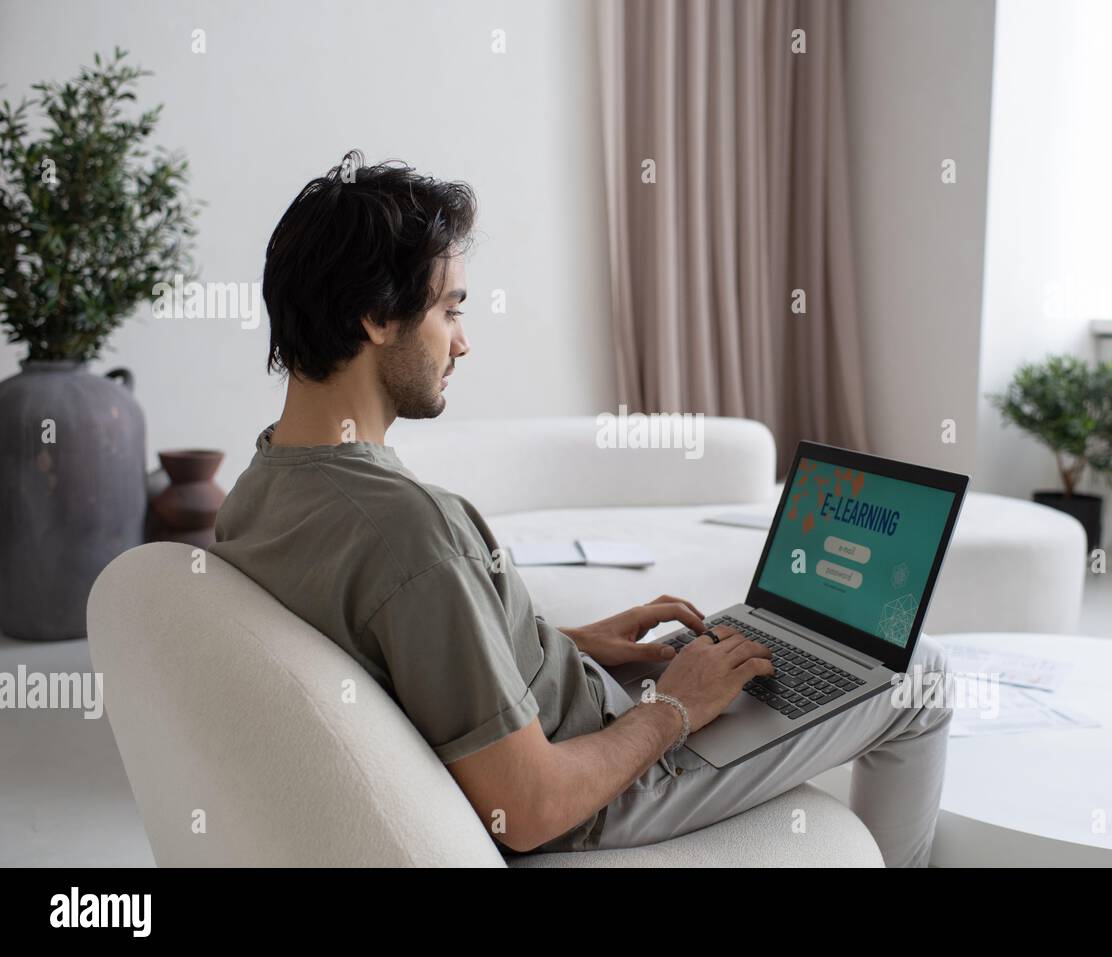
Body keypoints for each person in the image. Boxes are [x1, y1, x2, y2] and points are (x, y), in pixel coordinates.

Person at [211, 152, 953, 865]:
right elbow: (527, 809)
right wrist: (675, 709)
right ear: (376, 315)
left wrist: (564, 639)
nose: (462, 343)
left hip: (570, 707)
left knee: (753, 654)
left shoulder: (260, 489)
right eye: (448, 309)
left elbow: (402, 652)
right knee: (919, 673)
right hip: (596, 790)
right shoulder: (412, 530)